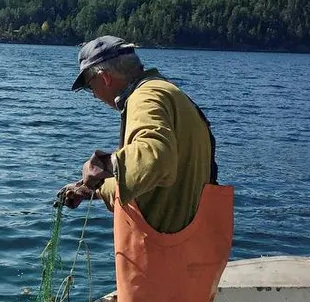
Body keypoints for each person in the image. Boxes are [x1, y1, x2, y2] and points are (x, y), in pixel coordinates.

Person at [58, 35, 234, 302]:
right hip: (192, 271)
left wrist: (103, 164)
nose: (93, 95)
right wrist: (92, 190)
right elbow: (158, 182)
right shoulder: (171, 95)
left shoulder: (144, 96)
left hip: (159, 276)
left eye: (89, 86)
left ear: (104, 78)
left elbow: (156, 158)